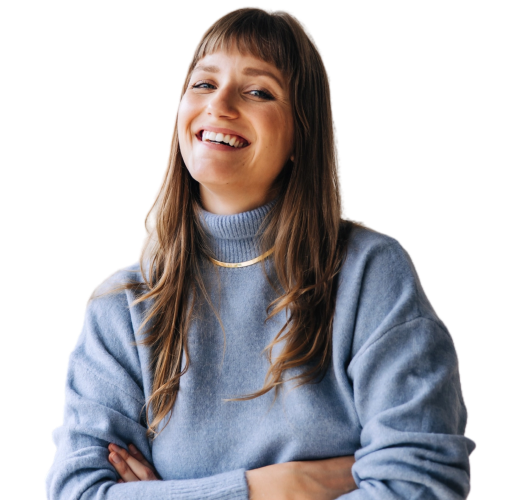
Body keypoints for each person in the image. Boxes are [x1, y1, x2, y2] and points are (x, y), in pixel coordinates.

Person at [44, 7, 476, 499]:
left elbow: (422, 485)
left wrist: (172, 494)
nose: (219, 104)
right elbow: (77, 492)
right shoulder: (122, 307)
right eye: (204, 84)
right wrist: (281, 487)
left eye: (258, 92)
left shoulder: (368, 275)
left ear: (300, 134)